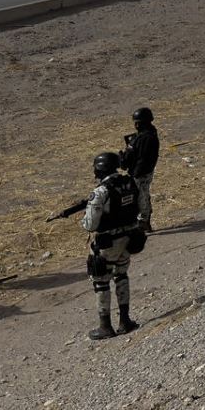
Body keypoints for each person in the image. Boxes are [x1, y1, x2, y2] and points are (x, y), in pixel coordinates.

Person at [81, 150, 145, 340]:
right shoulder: (131, 183)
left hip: (107, 243)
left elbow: (90, 224)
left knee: (101, 282)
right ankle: (125, 321)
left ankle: (105, 326)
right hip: (128, 238)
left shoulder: (101, 192)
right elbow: (143, 208)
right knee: (121, 276)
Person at [122, 107, 159, 232]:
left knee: (142, 197)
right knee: (141, 195)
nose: (136, 125)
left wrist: (136, 172)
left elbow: (143, 158)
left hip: (142, 173)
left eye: (138, 122)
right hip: (140, 171)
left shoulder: (147, 137)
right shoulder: (144, 134)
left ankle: (144, 221)